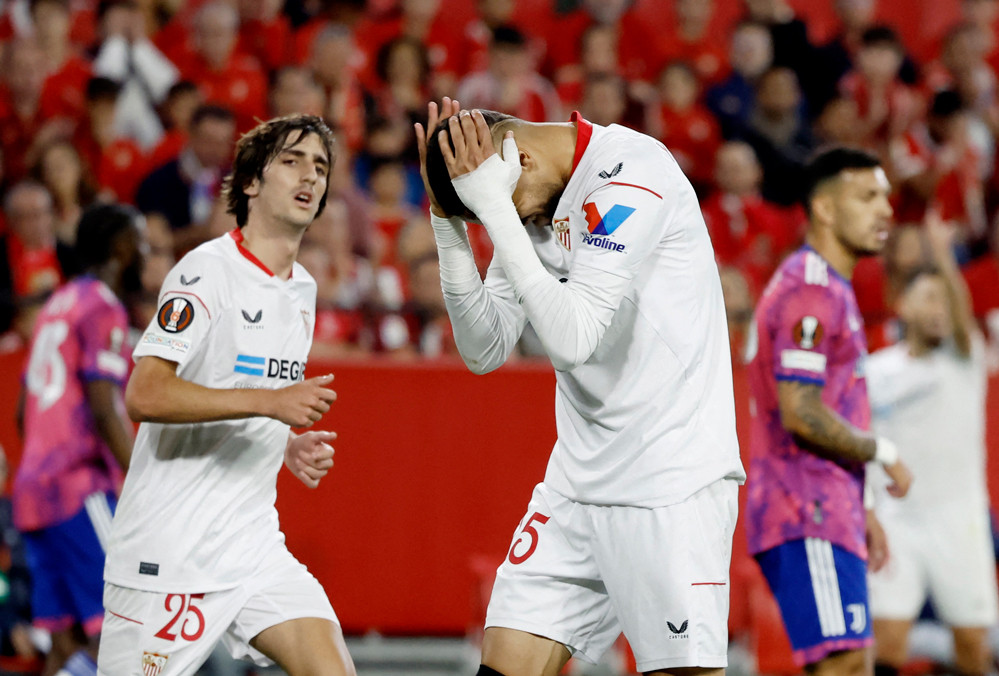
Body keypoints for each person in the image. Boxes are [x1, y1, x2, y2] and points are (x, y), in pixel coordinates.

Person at [416, 98, 745, 675]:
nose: (509, 223)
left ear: (519, 161)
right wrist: (448, 221)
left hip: (667, 482)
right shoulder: (527, 206)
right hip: (575, 483)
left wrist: (495, 207)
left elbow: (573, 339)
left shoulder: (631, 174)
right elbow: (485, 349)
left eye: (501, 206)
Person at [98, 114, 356, 676]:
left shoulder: (303, 289)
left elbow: (240, 386)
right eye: (291, 161)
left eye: (319, 167)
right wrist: (269, 405)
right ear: (251, 183)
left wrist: (282, 441)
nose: (309, 176)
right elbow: (145, 394)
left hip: (251, 544)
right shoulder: (206, 272)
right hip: (170, 552)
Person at [744, 147, 914, 675]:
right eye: (867, 196)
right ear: (824, 208)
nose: (885, 209)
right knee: (842, 665)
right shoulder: (811, 289)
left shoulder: (830, 287)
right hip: (804, 506)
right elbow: (801, 411)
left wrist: (862, 505)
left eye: (886, 196)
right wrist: (883, 452)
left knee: (852, 663)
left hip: (829, 506)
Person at [12, 203, 146, 676]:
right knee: (124, 627)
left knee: (64, 640)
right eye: (140, 241)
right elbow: (103, 405)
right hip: (77, 486)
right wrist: (144, 478)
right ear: (120, 248)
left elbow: (22, 412)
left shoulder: (57, 304)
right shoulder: (102, 306)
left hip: (34, 489)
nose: (145, 252)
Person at [866, 217, 998, 676]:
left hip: (960, 522)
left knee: (971, 646)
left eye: (944, 299)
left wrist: (942, 255)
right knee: (888, 643)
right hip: (897, 521)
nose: (939, 308)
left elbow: (959, 308)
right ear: (902, 307)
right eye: (928, 298)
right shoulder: (878, 371)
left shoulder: (964, 357)